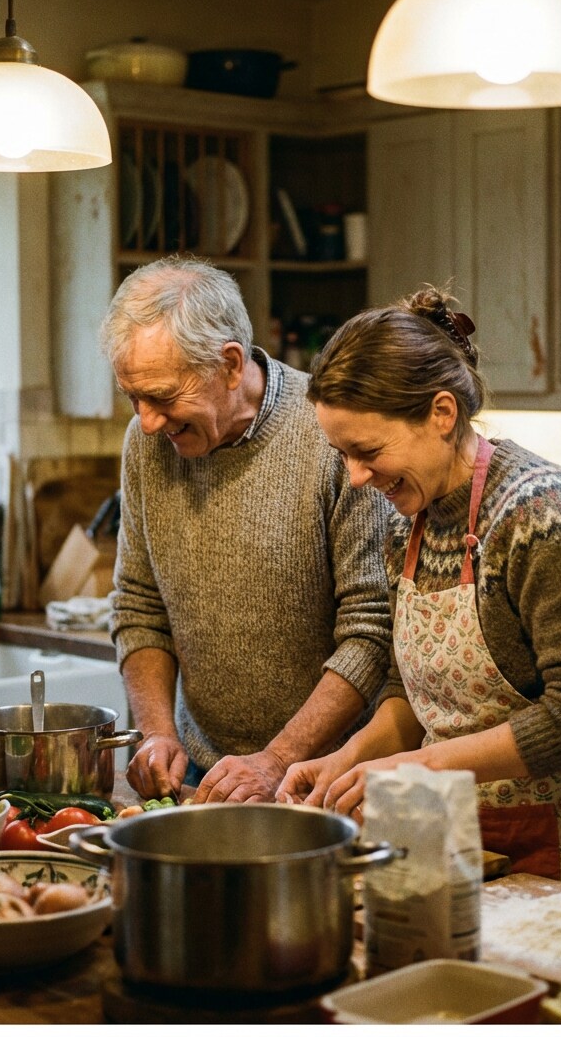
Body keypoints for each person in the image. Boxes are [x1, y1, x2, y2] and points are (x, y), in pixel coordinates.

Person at [277, 287, 561, 904]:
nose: (355, 477)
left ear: (442, 413)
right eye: (342, 454)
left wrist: (418, 769)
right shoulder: (410, 521)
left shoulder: (541, 515)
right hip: (458, 837)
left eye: (368, 451)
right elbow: (418, 694)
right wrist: (347, 763)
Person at [98, 257, 393, 804]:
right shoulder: (146, 444)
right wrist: (159, 732)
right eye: (132, 398)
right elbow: (139, 608)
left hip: (329, 783)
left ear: (230, 365)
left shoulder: (330, 438)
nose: (147, 420)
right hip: (202, 782)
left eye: (162, 396)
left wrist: (277, 759)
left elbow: (371, 633)